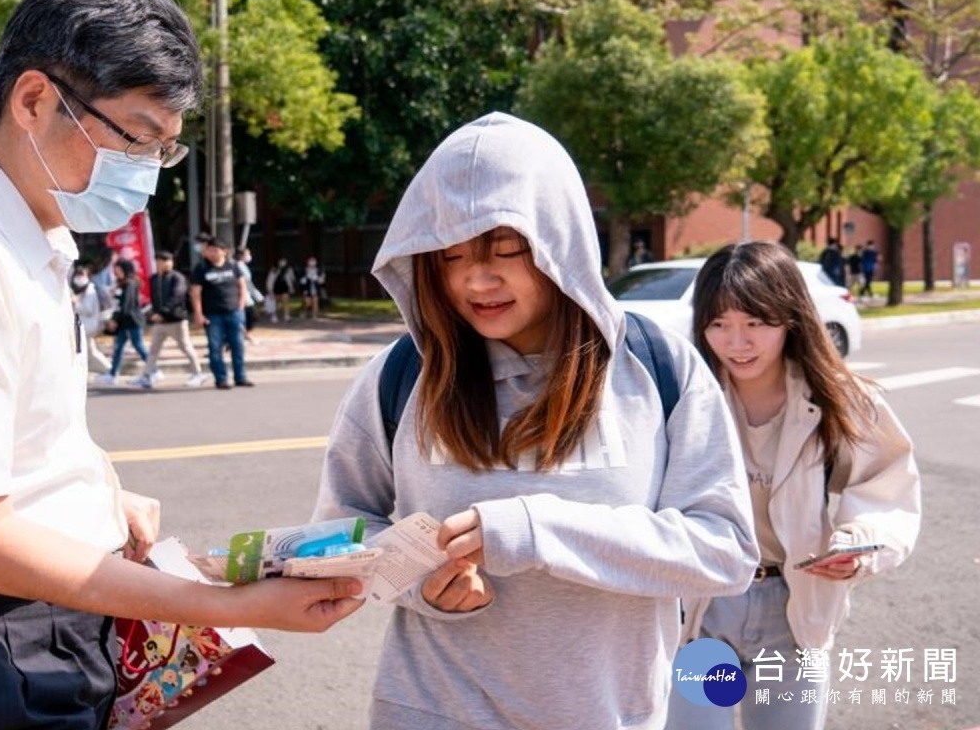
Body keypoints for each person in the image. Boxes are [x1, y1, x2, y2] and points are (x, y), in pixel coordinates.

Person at [0, 0, 361, 730]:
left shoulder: (32, 238)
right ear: (33, 101)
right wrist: (219, 606)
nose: (146, 175)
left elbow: (6, 445)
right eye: (133, 137)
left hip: (31, 620)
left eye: (163, 149)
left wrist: (96, 494)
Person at [311, 113, 758, 730]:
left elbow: (725, 552)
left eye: (506, 249)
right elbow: (343, 533)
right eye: (452, 254)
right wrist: (420, 583)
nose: (476, 278)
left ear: (559, 241)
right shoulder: (400, 376)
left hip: (609, 715)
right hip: (430, 711)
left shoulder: (656, 368)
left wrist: (538, 530)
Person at [669, 241, 921, 730]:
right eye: (719, 324)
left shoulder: (842, 401)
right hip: (706, 607)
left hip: (793, 611)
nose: (736, 342)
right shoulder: (685, 396)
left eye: (755, 325)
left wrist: (857, 547)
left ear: (789, 318)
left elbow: (886, 485)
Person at [190, 237, 253, 389]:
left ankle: (241, 377)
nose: (211, 253)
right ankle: (221, 378)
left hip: (234, 312)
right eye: (209, 250)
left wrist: (241, 305)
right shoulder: (201, 268)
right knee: (215, 347)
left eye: (215, 250)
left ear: (224, 252)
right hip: (213, 315)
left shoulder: (233, 266)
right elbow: (195, 292)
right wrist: (198, 313)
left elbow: (242, 285)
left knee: (237, 346)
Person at [136, 250, 205, 388]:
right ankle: (147, 375)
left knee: (185, 346)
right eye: (162, 261)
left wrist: (163, 312)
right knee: (154, 350)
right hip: (159, 322)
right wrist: (154, 313)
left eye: (169, 261)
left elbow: (177, 296)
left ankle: (198, 373)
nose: (166, 264)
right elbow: (155, 298)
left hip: (176, 320)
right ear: (157, 263)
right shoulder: (154, 278)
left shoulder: (177, 277)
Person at [97, 258, 151, 385]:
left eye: (118, 269)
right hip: (123, 321)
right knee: (118, 348)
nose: (116, 272)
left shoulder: (130, 284)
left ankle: (153, 369)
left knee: (138, 345)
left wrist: (115, 319)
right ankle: (113, 373)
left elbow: (126, 305)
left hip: (132, 320)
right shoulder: (121, 284)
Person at [73, 263, 113, 373]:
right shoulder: (81, 290)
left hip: (88, 325)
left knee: (87, 351)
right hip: (84, 325)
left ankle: (110, 370)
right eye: (78, 275)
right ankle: (109, 369)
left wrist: (75, 304)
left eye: (82, 275)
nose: (79, 278)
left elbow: (88, 309)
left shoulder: (89, 290)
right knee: (90, 351)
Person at [235, 247, 265, 344]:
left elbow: (249, 283)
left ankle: (245, 334)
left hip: (247, 294)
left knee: (250, 316)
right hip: (241, 295)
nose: (249, 256)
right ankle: (244, 335)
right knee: (248, 315)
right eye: (247, 254)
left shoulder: (243, 266)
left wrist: (256, 294)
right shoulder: (238, 266)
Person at [266, 256, 297, 322]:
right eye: (281, 261)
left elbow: (292, 279)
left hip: (285, 287)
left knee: (286, 301)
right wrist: (270, 290)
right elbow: (270, 280)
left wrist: (292, 288)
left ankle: (287, 315)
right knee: (275, 302)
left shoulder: (289, 269)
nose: (283, 263)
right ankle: (274, 315)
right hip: (276, 287)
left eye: (284, 261)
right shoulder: (274, 269)